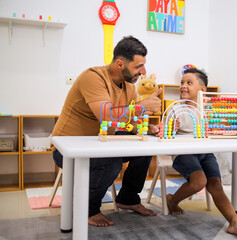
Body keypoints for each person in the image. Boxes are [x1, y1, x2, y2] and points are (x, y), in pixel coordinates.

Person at [52, 36, 162, 227]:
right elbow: (106, 116)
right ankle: (88, 209)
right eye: (138, 66)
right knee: (111, 160)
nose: (143, 72)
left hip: (103, 140)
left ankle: (128, 197)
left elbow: (127, 117)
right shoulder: (93, 77)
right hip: (68, 148)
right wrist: (142, 105)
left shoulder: (129, 86)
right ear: (120, 63)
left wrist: (149, 128)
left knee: (143, 146)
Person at [165, 68, 237, 238]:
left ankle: (234, 223)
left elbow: (216, 129)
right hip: (183, 153)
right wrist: (171, 129)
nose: (183, 86)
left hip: (205, 152)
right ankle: (172, 200)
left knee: (215, 185)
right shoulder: (175, 109)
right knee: (199, 182)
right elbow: (165, 135)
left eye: (189, 83)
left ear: (203, 90)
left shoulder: (208, 110)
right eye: (182, 82)